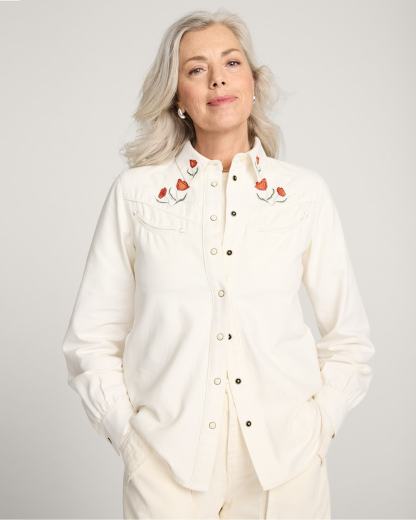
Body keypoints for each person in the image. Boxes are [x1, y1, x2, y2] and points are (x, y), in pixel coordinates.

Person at [61, 8, 375, 519]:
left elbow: (349, 339)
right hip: (166, 469)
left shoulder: (303, 195)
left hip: (286, 468)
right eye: (196, 69)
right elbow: (91, 339)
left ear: (254, 81)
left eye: (231, 63)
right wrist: (131, 441)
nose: (217, 79)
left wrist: (319, 429)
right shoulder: (137, 196)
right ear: (177, 95)